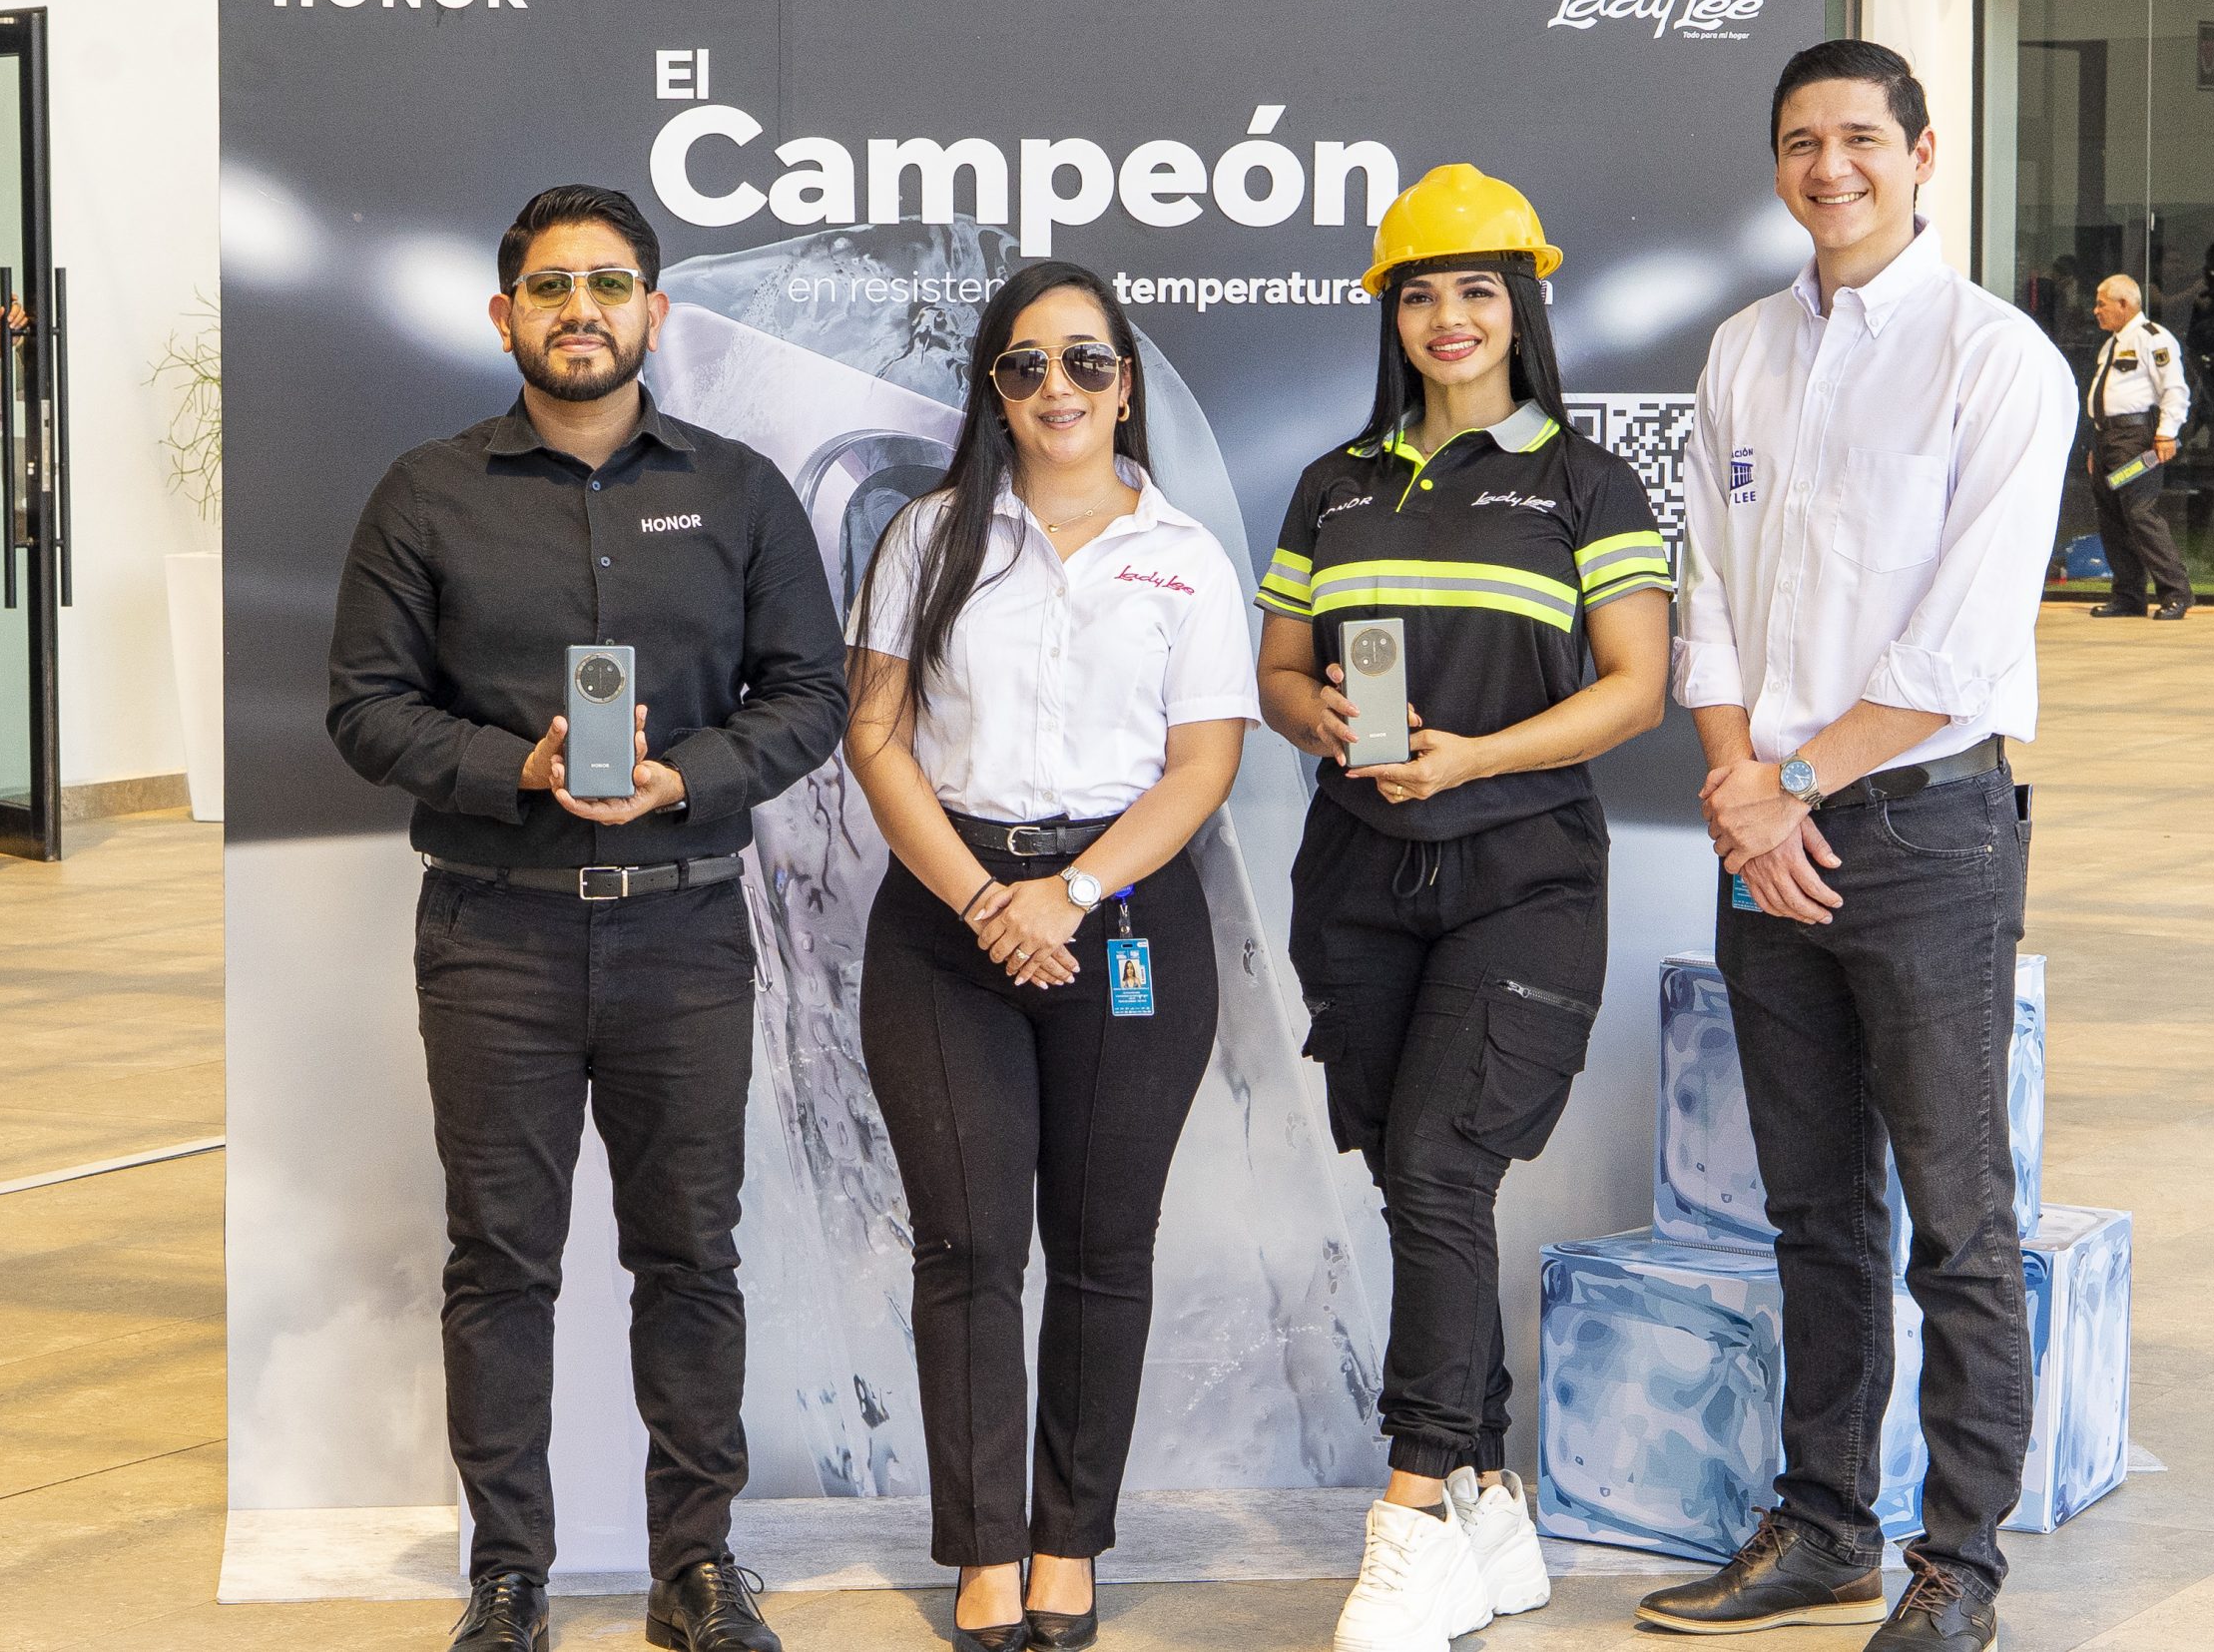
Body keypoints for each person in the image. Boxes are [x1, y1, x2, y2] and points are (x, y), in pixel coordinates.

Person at [325, 185, 847, 1652]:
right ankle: (509, 1573)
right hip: (495, 934)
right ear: (505, 315)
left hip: (686, 933)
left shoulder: (741, 490)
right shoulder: (426, 494)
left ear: (653, 312)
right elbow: (365, 706)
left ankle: (698, 1566)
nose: (581, 311)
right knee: (500, 1260)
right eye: (551, 287)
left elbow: (810, 692)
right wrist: (517, 768)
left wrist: (692, 776)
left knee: (691, 1255)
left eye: (609, 284)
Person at [1637, 42, 2073, 1652]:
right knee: (1814, 1210)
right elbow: (1708, 600)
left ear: (1923, 153)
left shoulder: (1996, 359)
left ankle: (1960, 1565)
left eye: (1862, 139)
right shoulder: (1744, 349)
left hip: (1924, 829)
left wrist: (1788, 785)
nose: (1831, 167)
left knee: (1958, 1220)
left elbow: (1963, 645)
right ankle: (1825, 1526)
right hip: (1769, 830)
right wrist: (1738, 783)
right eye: (1801, 142)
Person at [1256, 163, 1672, 1652]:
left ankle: (1412, 1514)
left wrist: (1477, 755)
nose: (1449, 316)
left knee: (1439, 1166)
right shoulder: (1336, 483)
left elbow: (1637, 685)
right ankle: (1493, 1492)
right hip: (1358, 874)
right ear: (1390, 310)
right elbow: (1278, 670)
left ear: (1521, 305)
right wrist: (1317, 717)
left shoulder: (1583, 482)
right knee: (1416, 1180)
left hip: (1525, 872)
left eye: (1477, 289)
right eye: (1420, 290)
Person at [842, 260, 1256, 1652]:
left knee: (1101, 1244)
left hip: (1122, 912)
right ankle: (983, 1546)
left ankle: (1069, 1536)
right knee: (967, 1244)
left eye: (1086, 361)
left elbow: (1203, 763)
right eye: (1026, 364)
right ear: (995, 390)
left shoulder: (1185, 555)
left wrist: (1068, 893)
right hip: (946, 917)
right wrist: (986, 901)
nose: (1057, 387)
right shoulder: (929, 536)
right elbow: (875, 737)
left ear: (1123, 385)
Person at [2084, 274, 2194, 619]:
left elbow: (2174, 389)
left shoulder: (2152, 338)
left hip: (2135, 439)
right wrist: (2097, 446)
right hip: (2108, 439)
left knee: (2140, 514)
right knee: (2112, 517)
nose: (2096, 310)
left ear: (2124, 303)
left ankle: (2176, 593)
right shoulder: (2111, 345)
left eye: (2101, 303)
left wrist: (2166, 433)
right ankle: (2128, 596)